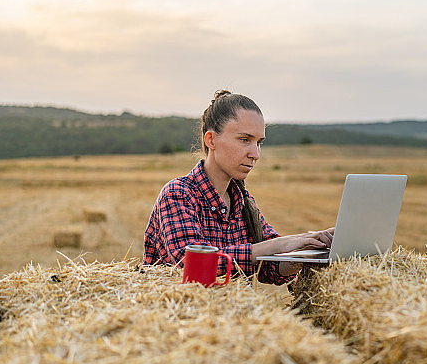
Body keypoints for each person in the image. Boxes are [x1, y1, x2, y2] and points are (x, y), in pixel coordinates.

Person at [143, 90, 334, 284]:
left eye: (259, 143)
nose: (255, 154)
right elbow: (191, 265)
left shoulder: (243, 201)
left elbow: (270, 269)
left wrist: (307, 249)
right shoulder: (178, 194)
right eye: (245, 140)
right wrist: (278, 245)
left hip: (229, 305)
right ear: (211, 140)